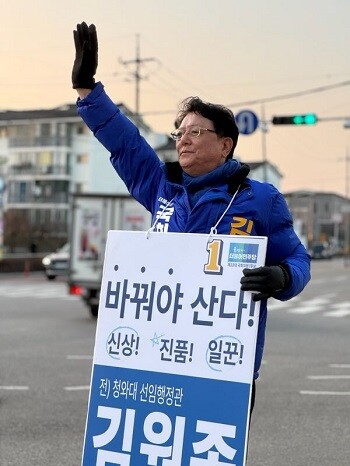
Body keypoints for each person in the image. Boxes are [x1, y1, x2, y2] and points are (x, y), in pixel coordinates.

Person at [71, 22, 311, 415]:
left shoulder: (261, 199)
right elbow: (125, 143)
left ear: (225, 144)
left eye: (196, 131)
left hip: (224, 366)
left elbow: (299, 259)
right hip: (157, 360)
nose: (182, 139)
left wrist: (283, 277)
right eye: (180, 131)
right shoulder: (161, 187)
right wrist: (87, 89)